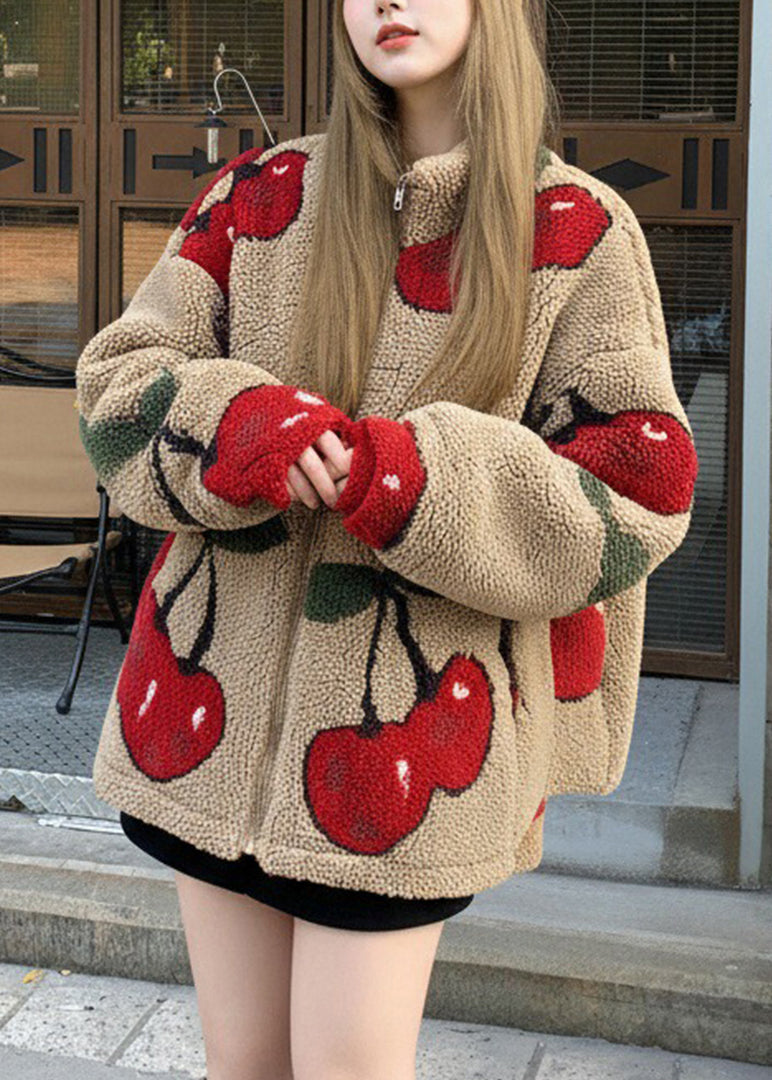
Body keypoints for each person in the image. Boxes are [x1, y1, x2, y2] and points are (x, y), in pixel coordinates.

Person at [74, 1, 700, 1078]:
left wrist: (406, 479)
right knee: (245, 1068)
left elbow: (633, 495)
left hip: (406, 754)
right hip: (198, 727)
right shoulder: (259, 198)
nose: (387, 3)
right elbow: (116, 394)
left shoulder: (575, 231)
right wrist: (240, 426)